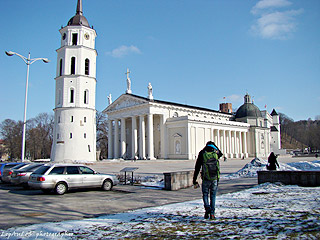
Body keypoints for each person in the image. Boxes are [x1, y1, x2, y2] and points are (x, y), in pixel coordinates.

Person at [193, 141, 223, 219]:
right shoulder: (216, 153)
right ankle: (212, 213)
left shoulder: (202, 153)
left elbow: (197, 167)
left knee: (205, 194)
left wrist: (194, 179)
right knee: (213, 195)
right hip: (214, 178)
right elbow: (221, 153)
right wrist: (215, 147)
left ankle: (207, 208)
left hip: (206, 177)